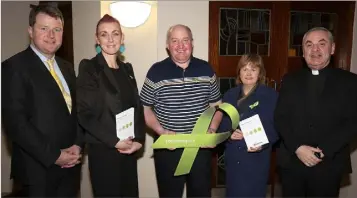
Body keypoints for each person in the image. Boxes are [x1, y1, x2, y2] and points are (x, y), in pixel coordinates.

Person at [1, 4, 82, 197]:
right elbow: (16, 124)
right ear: (30, 31)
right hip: (36, 171)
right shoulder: (13, 67)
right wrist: (55, 156)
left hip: (70, 167)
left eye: (57, 29)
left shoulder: (68, 67)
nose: (51, 35)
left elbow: (77, 111)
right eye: (43, 28)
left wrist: (78, 145)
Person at [140, 24, 221, 197]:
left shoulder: (206, 69)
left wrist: (212, 129)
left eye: (185, 40)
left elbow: (218, 106)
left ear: (192, 43)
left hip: (200, 148)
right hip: (169, 149)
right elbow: (144, 108)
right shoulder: (156, 71)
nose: (181, 46)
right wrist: (161, 131)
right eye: (175, 41)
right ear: (168, 45)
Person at [274, 27, 357, 197]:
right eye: (309, 44)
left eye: (321, 44)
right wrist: (297, 148)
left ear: (332, 48)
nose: (315, 49)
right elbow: (280, 117)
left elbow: (353, 121)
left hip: (328, 163)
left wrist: (323, 150)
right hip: (292, 161)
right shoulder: (290, 80)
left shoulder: (350, 81)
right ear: (303, 51)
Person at [76, 14, 145, 198]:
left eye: (115, 33)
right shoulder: (89, 68)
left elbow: (137, 108)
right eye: (104, 34)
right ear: (97, 39)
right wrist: (115, 141)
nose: (111, 39)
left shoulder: (127, 69)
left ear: (122, 37)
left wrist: (138, 140)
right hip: (104, 151)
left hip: (128, 149)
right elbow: (84, 114)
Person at [211, 54, 279, 197]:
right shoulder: (230, 95)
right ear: (239, 72)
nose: (248, 73)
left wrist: (263, 143)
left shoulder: (270, 95)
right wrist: (229, 133)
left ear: (260, 73)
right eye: (244, 69)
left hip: (256, 157)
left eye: (253, 69)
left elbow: (277, 126)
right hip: (234, 157)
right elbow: (223, 123)